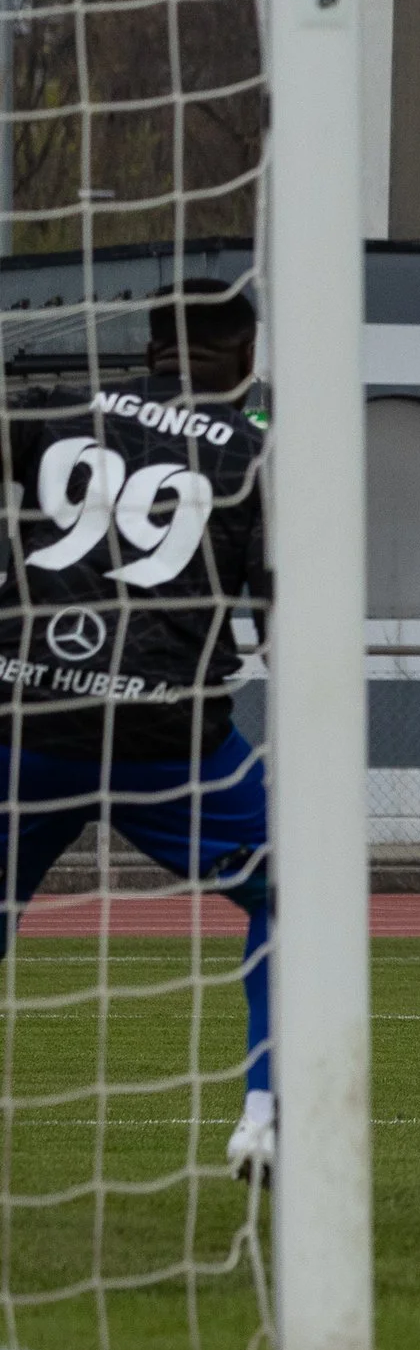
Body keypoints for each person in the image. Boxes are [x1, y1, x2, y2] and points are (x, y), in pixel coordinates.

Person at [0, 279, 273, 1178]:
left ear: (153, 347)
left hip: (24, 713)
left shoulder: (57, 409)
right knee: (292, 904)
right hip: (168, 739)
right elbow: (277, 617)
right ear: (241, 355)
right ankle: (265, 1115)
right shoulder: (258, 453)